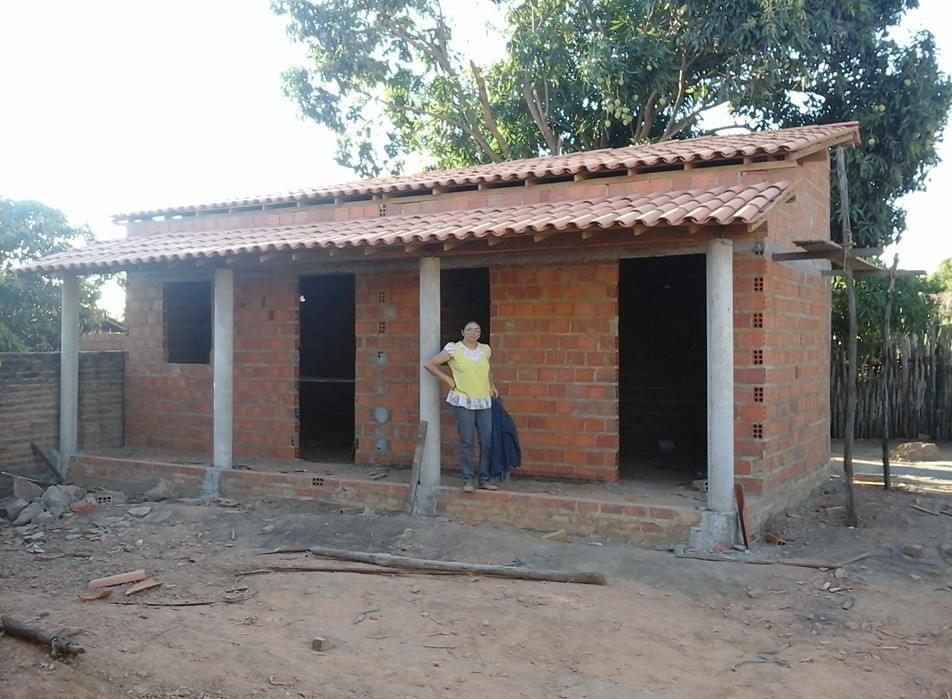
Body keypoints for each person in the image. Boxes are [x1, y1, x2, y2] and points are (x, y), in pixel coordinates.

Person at [424, 321, 499, 493]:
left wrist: (492, 385)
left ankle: (484, 480)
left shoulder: (485, 349)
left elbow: (487, 370)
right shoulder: (453, 349)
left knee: (487, 440)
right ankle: (468, 479)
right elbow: (430, 364)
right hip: (463, 399)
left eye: (477, 330)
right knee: (467, 441)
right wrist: (448, 380)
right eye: (469, 330)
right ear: (462, 332)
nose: (473, 333)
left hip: (483, 400)